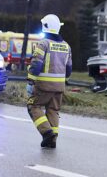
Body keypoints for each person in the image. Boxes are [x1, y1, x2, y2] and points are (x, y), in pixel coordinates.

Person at [26, 14, 72, 148]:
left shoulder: (43, 44)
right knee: (53, 110)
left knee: (33, 107)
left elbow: (36, 64)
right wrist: (65, 81)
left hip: (43, 86)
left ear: (45, 26)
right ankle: (52, 141)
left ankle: (47, 133)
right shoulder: (66, 46)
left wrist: (31, 80)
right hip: (59, 87)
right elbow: (69, 68)